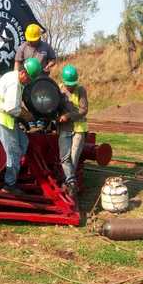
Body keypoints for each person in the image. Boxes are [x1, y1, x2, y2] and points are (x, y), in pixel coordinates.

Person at [0, 58, 42, 195]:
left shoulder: (15, 78)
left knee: (23, 142)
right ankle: (9, 185)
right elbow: (11, 108)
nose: (29, 82)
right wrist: (28, 116)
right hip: (2, 120)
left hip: (7, 119)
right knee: (13, 151)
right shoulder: (14, 84)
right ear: (23, 72)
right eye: (29, 78)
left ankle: (14, 168)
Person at [57, 65, 88, 197]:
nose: (70, 87)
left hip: (79, 129)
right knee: (64, 158)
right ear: (63, 81)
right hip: (64, 129)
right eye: (67, 84)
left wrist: (68, 116)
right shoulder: (59, 89)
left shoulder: (81, 90)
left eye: (72, 84)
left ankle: (68, 184)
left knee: (73, 159)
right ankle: (71, 184)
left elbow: (83, 109)